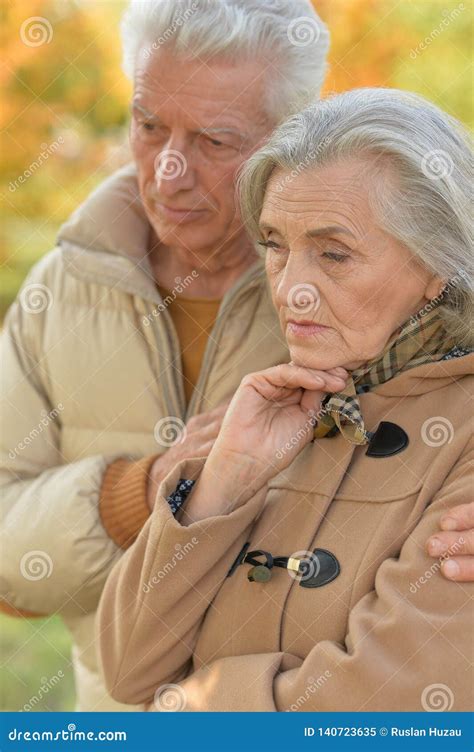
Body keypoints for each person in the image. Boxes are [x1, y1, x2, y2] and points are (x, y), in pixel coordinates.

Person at [1, 0, 472, 714]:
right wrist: (185, 488)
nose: (166, 169)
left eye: (215, 139)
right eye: (148, 123)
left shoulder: (376, 226)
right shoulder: (65, 294)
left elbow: (387, 703)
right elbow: (116, 657)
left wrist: (192, 711)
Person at [97, 88, 473, 711]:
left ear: (438, 266)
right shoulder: (272, 396)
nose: (293, 290)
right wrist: (222, 483)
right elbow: (128, 668)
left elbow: (386, 708)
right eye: (274, 245)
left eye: (334, 253)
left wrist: (187, 711)